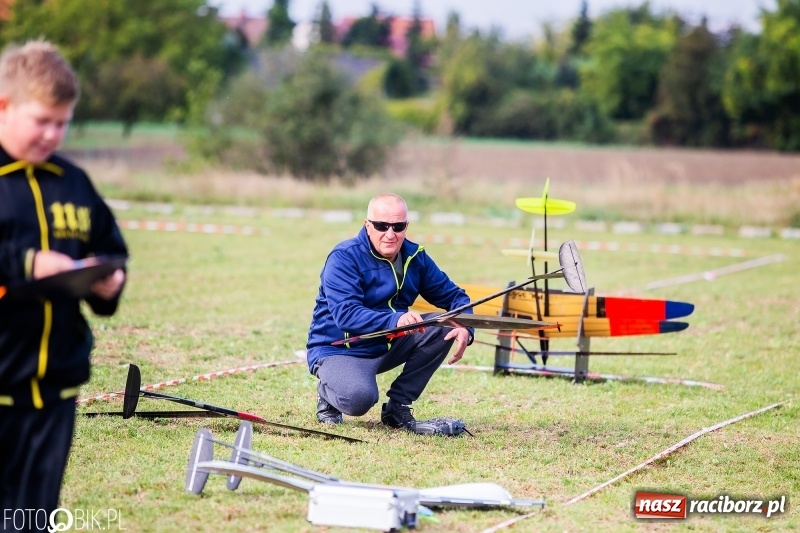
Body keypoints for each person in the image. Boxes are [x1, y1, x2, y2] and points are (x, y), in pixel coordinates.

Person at [0, 40, 128, 529]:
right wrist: (29, 263)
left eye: (63, 121)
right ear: (5, 106)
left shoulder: (73, 181)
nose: (53, 133)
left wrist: (109, 282)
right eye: (42, 121)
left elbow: (110, 245)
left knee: (32, 521)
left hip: (55, 393)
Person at [305, 193, 474, 436]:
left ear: (407, 226)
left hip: (388, 343)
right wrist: (395, 320)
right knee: (359, 400)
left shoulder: (415, 257)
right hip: (340, 348)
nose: (390, 233)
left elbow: (454, 296)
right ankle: (328, 393)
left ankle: (398, 408)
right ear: (367, 225)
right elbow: (346, 315)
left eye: (398, 226)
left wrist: (466, 327)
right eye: (382, 226)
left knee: (443, 328)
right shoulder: (344, 257)